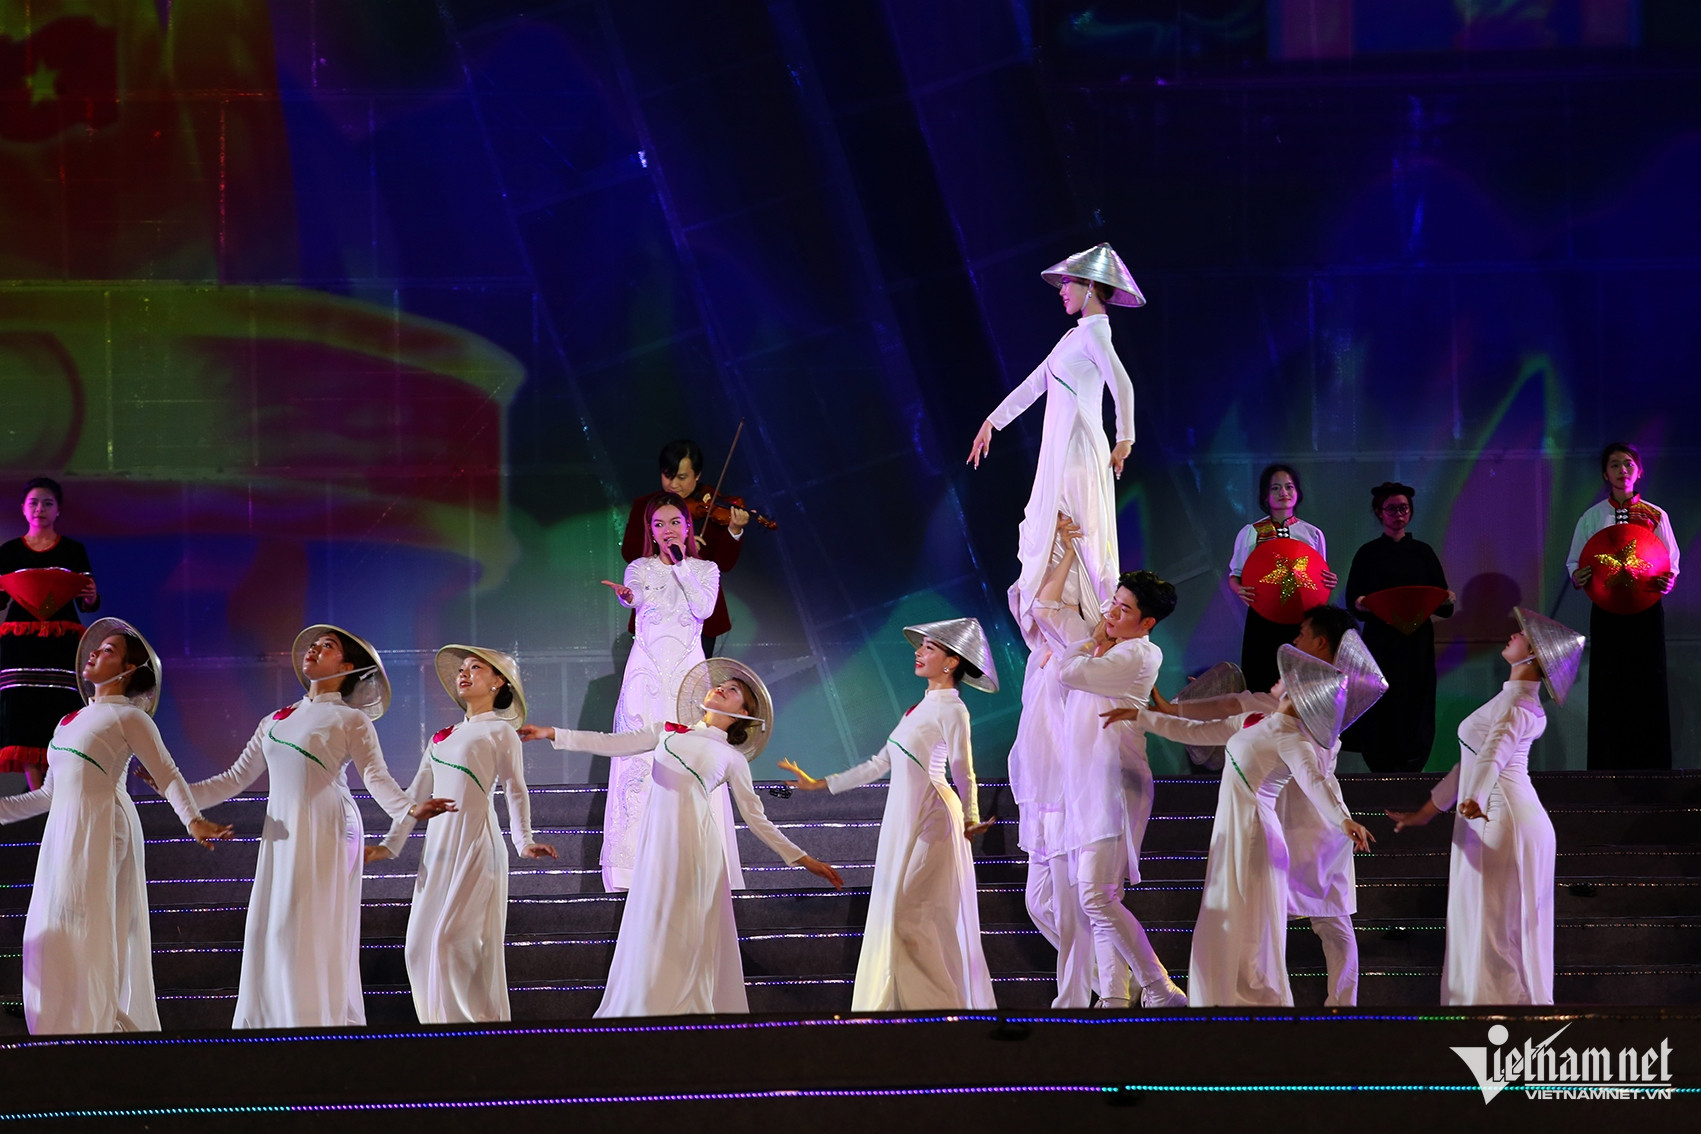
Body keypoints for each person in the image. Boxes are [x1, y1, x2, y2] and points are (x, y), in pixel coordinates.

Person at [520, 658, 843, 1017]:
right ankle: (648, 1006)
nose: (721, 688)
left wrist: (804, 859)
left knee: (688, 930)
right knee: (652, 927)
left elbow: (756, 818)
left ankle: (688, 1013)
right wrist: (552, 733)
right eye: (721, 684)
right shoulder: (667, 732)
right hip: (656, 848)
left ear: (743, 713)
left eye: (733, 690)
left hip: (696, 850)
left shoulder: (732, 758)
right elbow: (612, 743)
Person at [185, 625, 454, 1028]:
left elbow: (375, 777)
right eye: (314, 645)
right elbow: (235, 778)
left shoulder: (351, 719)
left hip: (328, 825)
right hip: (283, 830)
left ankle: (315, 1022)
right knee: (275, 927)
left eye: (328, 647)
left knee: (309, 924)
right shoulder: (275, 719)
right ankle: (275, 1022)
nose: (314, 649)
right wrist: (179, 794)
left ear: (346, 668)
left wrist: (409, 809)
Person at [1120, 607, 1378, 1007]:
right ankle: (1237, 993)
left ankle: (1337, 1007)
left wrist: (1343, 820)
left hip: (1310, 821)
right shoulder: (1268, 713)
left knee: (1327, 916)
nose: (1295, 641)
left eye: (1302, 634)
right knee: (1253, 912)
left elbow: (1313, 775)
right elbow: (1229, 711)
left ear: (1321, 642)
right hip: (1270, 816)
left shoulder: (1322, 703)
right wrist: (1162, 713)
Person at [0, 619, 233, 1033]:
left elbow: (167, 772)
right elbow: (47, 794)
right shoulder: (67, 721)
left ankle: (96, 1026)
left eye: (108, 650)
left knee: (91, 925)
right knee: (54, 924)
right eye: (97, 647)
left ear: (128, 671)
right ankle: (57, 1025)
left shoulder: (129, 717)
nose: (93, 652)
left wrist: (193, 819)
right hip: (64, 830)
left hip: (103, 824)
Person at [778, 618, 998, 1011]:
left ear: (951, 662)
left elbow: (963, 770)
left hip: (933, 816)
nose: (919, 652)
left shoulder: (954, 709)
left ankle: (938, 1008)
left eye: (930, 648)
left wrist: (970, 817)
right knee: (905, 912)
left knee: (913, 912)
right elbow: (878, 763)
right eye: (922, 646)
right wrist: (819, 783)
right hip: (906, 814)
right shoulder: (917, 709)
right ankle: (909, 1007)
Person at [1030, 514, 1186, 1008]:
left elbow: (1070, 673)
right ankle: (1116, 999)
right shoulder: (1115, 648)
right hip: (1088, 785)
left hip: (1112, 786)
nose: (1112, 614)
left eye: (1124, 610)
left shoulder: (1138, 656)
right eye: (1113, 605)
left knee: (1097, 896)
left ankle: (1160, 988)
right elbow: (1044, 609)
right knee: (1098, 897)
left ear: (1147, 622)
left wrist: (1092, 639)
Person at [1386, 608, 1580, 1005]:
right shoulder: (1512, 699)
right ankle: (1491, 1007)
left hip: (1501, 814)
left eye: (1522, 634)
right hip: (1497, 811)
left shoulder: (1517, 705)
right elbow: (1471, 761)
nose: (1513, 634)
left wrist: (1474, 797)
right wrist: (1428, 811)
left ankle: (1503, 1013)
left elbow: (1493, 755)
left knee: (1495, 923)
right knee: (1492, 918)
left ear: (1535, 655)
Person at [365, 645, 558, 1023]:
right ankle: (437, 1031)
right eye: (461, 669)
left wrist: (524, 841)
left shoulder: (501, 731)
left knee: (452, 943)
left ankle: (471, 1032)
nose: (464, 674)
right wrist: (388, 846)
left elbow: (515, 789)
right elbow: (415, 795)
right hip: (438, 850)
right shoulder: (442, 737)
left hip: (476, 845)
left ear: (498, 682)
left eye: (476, 668)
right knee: (417, 948)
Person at [966, 243, 1140, 652]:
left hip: (1078, 449)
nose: (1061, 291)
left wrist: (1125, 438)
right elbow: (1034, 384)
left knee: (1084, 536)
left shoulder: (1096, 333)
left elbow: (1123, 384)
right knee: (1059, 534)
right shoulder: (1074, 335)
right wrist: (992, 422)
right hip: (1061, 450)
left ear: (1090, 286)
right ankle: (1071, 634)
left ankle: (1105, 630)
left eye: (1067, 283)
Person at [604, 492, 743, 892]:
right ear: (650, 531)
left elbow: (703, 609)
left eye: (675, 523)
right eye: (659, 525)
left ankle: (696, 862)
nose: (668, 530)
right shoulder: (639, 567)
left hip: (689, 680)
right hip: (644, 678)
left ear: (687, 526)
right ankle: (632, 867)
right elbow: (636, 594)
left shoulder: (705, 569)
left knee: (692, 761)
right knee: (641, 761)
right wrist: (627, 596)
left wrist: (682, 564)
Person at [1565, 442, 1680, 769]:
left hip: (1646, 610)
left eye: (1628, 463)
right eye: (1614, 464)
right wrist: (1578, 575)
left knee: (1648, 685)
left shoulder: (1655, 515)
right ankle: (1606, 768)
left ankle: (1652, 770)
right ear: (1606, 474)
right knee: (1608, 686)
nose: (1622, 470)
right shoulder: (1592, 517)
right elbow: (1574, 561)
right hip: (1607, 611)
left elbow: (1670, 562)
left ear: (1638, 471)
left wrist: (1668, 580)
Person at [1342, 482, 1456, 772]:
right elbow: (1353, 601)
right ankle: (1380, 767)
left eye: (1403, 508)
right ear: (1379, 512)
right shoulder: (1368, 553)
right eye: (1391, 509)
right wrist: (1363, 603)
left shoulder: (1422, 552)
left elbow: (1444, 605)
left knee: (1417, 699)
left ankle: (1413, 763)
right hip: (1381, 643)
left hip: (1417, 643)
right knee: (1380, 700)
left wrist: (1446, 598)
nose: (1398, 514)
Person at [0, 477, 102, 790]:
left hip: (61, 642)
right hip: (21, 644)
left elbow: (87, 602)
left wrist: (91, 596)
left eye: (47, 503)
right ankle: (39, 794)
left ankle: (60, 789)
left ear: (58, 509)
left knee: (60, 708)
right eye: (33, 503)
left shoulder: (73, 550)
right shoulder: (9, 551)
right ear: (23, 508)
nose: (40, 509)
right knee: (23, 710)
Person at [620, 439, 748, 658]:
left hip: (699, 618)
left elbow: (724, 564)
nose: (673, 485)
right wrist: (668, 546)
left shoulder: (711, 507)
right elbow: (630, 553)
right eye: (668, 476)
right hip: (656, 612)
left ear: (697, 475)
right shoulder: (645, 506)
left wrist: (734, 530)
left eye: (681, 477)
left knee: (695, 677)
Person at [1228, 464, 1335, 693]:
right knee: (1262, 678)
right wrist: (1239, 589)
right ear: (1265, 495)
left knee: (1300, 681)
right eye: (1275, 488)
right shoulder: (1252, 531)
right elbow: (1235, 576)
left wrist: (1328, 582)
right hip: (1263, 617)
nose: (1283, 492)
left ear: (1298, 492)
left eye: (1289, 486)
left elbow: (1318, 576)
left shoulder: (1313, 534)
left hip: (1301, 620)